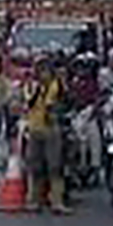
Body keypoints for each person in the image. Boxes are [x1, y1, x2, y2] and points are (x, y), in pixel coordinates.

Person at [23, 55, 70, 214]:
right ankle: (34, 200)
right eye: (40, 69)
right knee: (35, 167)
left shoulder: (57, 85)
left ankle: (57, 201)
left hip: (51, 128)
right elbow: (28, 102)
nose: (43, 73)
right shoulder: (31, 85)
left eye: (46, 69)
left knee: (55, 167)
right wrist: (38, 89)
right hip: (35, 127)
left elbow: (62, 101)